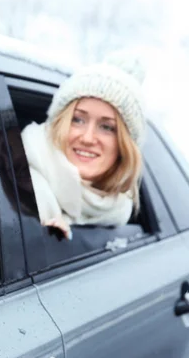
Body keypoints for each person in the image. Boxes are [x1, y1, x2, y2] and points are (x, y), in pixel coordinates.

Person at [21, 52, 145, 240]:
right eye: (77, 120)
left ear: (124, 147)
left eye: (107, 127)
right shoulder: (14, 171)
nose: (88, 138)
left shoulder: (117, 211)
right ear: (59, 124)